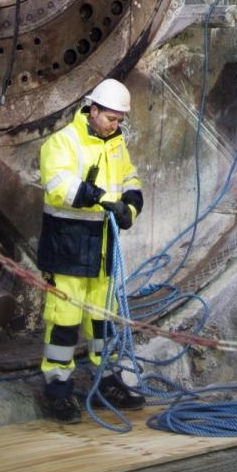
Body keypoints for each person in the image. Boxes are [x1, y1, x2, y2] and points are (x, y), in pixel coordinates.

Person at [37, 77, 145, 422]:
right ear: (92, 110)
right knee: (64, 322)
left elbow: (130, 178)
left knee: (103, 321)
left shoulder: (116, 144)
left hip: (101, 247)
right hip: (67, 244)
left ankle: (105, 382)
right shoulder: (62, 142)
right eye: (111, 118)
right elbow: (58, 186)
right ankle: (57, 391)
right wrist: (100, 199)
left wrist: (130, 205)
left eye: (119, 120)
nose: (115, 125)